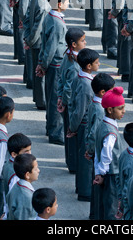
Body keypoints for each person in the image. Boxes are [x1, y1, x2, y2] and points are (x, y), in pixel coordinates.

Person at [36, 0, 70, 145]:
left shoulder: (50, 17)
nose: (69, 3)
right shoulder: (57, 23)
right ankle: (56, 132)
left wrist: (42, 62)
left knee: (51, 95)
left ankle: (50, 126)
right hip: (56, 63)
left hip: (51, 63)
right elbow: (51, 46)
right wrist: (43, 64)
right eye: (67, 1)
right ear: (59, 3)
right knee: (56, 97)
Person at [23, 0, 62, 110]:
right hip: (39, 41)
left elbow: (27, 18)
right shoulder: (45, 3)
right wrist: (30, 41)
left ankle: (38, 98)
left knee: (36, 70)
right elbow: (38, 27)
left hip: (33, 40)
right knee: (41, 72)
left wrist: (26, 38)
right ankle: (42, 101)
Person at [68, 48, 100, 201]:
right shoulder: (87, 86)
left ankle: (81, 186)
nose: (99, 64)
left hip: (81, 123)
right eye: (96, 63)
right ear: (88, 66)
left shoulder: (80, 78)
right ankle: (85, 190)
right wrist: (73, 127)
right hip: (84, 124)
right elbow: (80, 110)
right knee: (86, 160)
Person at [84, 72, 115, 219]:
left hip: (95, 150)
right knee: (99, 184)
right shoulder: (99, 109)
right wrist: (90, 150)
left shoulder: (95, 103)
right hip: (98, 152)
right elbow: (94, 133)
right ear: (103, 92)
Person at [94, 86, 126, 220]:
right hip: (112, 173)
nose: (123, 111)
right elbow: (106, 154)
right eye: (120, 108)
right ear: (110, 109)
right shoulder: (110, 131)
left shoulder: (103, 124)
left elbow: (98, 151)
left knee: (105, 202)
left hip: (105, 171)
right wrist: (101, 173)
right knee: (112, 205)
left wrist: (98, 171)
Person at [57, 27, 86, 173]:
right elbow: (69, 88)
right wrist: (65, 101)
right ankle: (74, 164)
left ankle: (70, 161)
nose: (85, 43)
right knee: (72, 133)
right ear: (73, 44)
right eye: (82, 41)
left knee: (68, 135)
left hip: (65, 102)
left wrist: (59, 97)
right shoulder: (75, 65)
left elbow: (60, 79)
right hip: (72, 105)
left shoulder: (67, 57)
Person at [18, 0, 44, 89]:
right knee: (31, 46)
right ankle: (30, 79)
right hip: (30, 16)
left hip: (30, 15)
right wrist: (23, 18)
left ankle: (29, 78)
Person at [6, 153, 40, 220]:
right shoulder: (25, 196)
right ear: (27, 175)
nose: (39, 171)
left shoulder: (17, 186)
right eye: (36, 169)